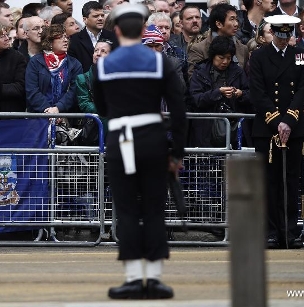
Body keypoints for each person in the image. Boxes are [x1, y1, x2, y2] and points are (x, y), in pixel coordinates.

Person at [92, 4, 186, 299]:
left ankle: (133, 277)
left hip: (121, 140)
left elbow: (102, 107)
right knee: (155, 209)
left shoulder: (104, 66)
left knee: (128, 209)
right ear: (142, 30)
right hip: (153, 139)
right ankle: (155, 277)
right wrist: (177, 154)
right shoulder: (161, 63)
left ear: (117, 31)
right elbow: (179, 111)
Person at [249, 15, 304, 249]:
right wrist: (277, 121)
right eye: (280, 35)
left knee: (291, 181)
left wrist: (289, 119)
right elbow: (257, 91)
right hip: (267, 128)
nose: (285, 39)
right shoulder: (259, 56)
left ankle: (289, 232)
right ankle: (270, 231)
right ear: (273, 33)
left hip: (293, 127)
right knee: (268, 182)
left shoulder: (300, 55)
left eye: (288, 35)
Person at [189, 35, 250, 148]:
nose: (225, 62)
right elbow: (195, 99)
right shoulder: (200, 72)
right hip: (206, 130)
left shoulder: (238, 71)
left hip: (233, 129)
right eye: (221, 57)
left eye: (229, 58)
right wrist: (218, 93)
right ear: (213, 56)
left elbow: (251, 95)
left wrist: (240, 94)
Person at [25, 24, 82, 115]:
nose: (65, 40)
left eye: (66, 37)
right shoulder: (35, 62)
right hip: (39, 115)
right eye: (60, 37)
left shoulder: (74, 64)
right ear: (49, 41)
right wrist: (48, 110)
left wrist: (58, 108)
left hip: (65, 115)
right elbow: (32, 90)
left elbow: (74, 91)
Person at [75, 38, 113, 141]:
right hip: (95, 124)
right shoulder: (82, 78)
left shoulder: (117, 77)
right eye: (96, 50)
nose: (98, 54)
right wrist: (105, 111)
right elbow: (84, 103)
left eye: (103, 51)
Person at [68, 1, 118, 72]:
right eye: (96, 16)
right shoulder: (74, 40)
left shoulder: (113, 37)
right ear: (85, 19)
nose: (100, 18)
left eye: (102, 15)